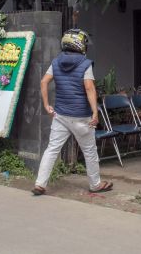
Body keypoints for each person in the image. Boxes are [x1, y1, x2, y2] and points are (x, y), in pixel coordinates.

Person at [32, 29, 113, 196]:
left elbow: (43, 82)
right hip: (81, 117)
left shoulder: (56, 62)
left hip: (60, 115)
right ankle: (95, 184)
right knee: (89, 151)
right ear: (80, 44)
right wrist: (95, 113)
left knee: (52, 149)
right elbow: (89, 88)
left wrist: (47, 105)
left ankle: (40, 184)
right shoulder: (85, 63)